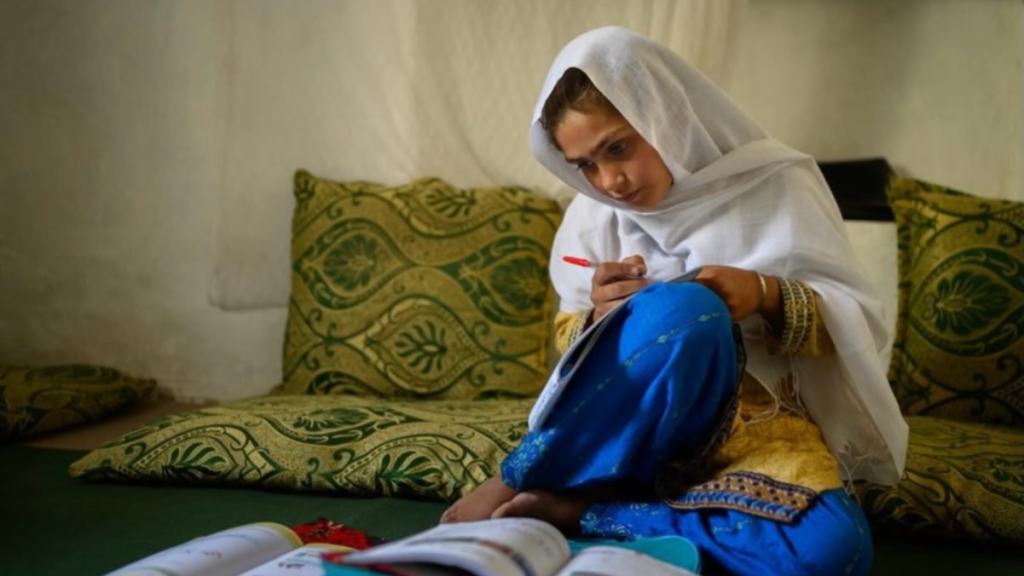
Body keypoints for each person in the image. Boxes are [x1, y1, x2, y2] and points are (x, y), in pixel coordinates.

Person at [441, 26, 908, 576]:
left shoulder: (778, 184)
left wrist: (762, 294)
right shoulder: (594, 216)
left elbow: (858, 326)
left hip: (758, 430)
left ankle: (585, 511)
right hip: (636, 430)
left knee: (835, 552)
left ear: (664, 114)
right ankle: (524, 474)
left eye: (618, 147)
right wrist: (600, 317)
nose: (608, 180)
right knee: (684, 311)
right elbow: (571, 348)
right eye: (586, 164)